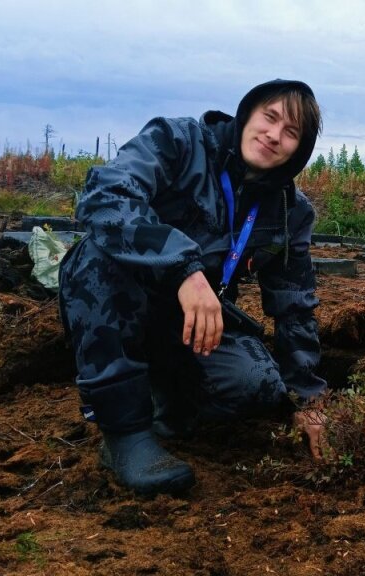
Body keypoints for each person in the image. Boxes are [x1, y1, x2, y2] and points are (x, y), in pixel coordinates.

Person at [59, 79, 328, 495]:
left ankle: (167, 400)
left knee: (256, 383)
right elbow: (105, 195)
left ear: (300, 150)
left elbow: (295, 305)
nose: (274, 135)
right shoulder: (178, 141)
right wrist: (182, 268)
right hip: (125, 298)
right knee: (96, 259)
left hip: (195, 321)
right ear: (247, 114)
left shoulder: (290, 210)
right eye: (269, 117)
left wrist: (308, 401)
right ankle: (124, 436)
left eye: (291, 133)